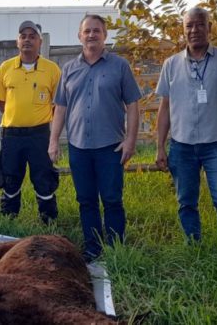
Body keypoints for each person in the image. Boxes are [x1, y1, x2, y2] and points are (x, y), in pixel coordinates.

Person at [154, 7, 217, 260]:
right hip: (181, 146)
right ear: (183, 30)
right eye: (189, 26)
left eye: (199, 24)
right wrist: (160, 146)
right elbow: (165, 108)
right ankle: (193, 248)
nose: (194, 30)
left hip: (216, 144)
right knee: (186, 202)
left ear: (209, 28)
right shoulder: (171, 64)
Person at [49, 14, 141, 261]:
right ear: (79, 35)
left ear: (105, 35)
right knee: (86, 200)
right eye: (87, 31)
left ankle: (115, 247)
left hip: (110, 146)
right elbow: (60, 107)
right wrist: (54, 140)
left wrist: (130, 140)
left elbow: (132, 103)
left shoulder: (119, 66)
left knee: (111, 198)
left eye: (97, 31)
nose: (91, 35)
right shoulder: (68, 69)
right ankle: (92, 247)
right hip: (79, 147)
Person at [0, 20, 62, 224]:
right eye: (23, 36)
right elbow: (1, 102)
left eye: (32, 36)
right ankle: (9, 220)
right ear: (17, 41)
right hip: (11, 134)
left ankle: (48, 219)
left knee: (43, 177)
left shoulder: (52, 70)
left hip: (40, 134)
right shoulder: (6, 68)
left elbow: (58, 105)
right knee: (10, 176)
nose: (27, 40)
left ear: (40, 42)